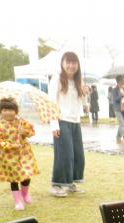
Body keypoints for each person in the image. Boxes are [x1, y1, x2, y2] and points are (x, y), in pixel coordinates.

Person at [48, 51, 87, 197]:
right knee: (65, 154)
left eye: (74, 63)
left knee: (77, 155)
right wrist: (54, 125)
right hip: (61, 120)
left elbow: (83, 104)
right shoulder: (57, 79)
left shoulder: (78, 81)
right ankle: (56, 184)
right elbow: (51, 102)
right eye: (68, 62)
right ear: (62, 63)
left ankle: (70, 183)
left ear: (78, 65)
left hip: (75, 121)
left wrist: (85, 93)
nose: (71, 66)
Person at [0, 97, 39, 210]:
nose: (8, 112)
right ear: (0, 112)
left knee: (27, 175)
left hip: (24, 153)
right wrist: (11, 146)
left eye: (11, 110)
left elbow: (32, 131)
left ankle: (25, 194)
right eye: (5, 110)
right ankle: (18, 201)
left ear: (16, 111)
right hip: (8, 156)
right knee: (14, 178)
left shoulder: (21, 122)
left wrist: (25, 132)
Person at [112, 75, 124, 143]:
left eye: (123, 81)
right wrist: (122, 95)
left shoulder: (123, 88)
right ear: (118, 82)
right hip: (118, 109)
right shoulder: (115, 90)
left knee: (123, 124)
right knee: (122, 123)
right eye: (122, 81)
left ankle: (118, 137)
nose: (123, 82)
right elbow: (115, 99)